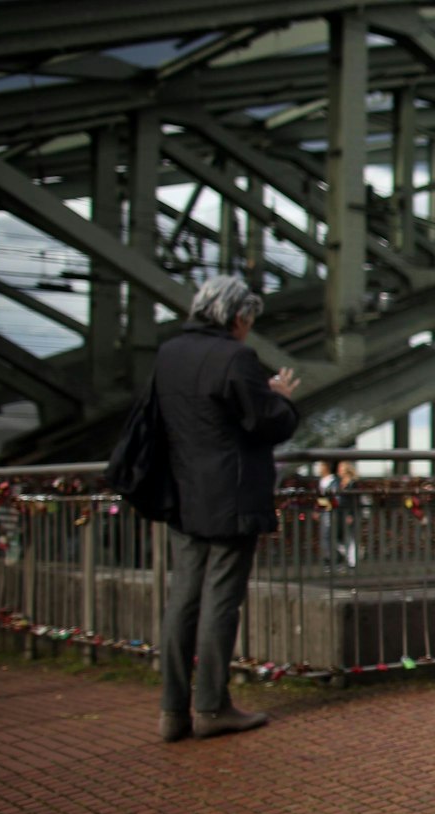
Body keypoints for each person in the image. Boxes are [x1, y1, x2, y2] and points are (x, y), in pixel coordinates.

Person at [153, 275, 299, 741]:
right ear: (238, 317)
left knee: (182, 601)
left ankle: (172, 711)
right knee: (221, 602)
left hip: (182, 491)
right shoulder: (236, 358)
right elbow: (267, 424)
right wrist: (280, 398)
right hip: (231, 496)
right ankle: (213, 707)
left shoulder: (170, 353)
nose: (247, 330)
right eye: (248, 321)